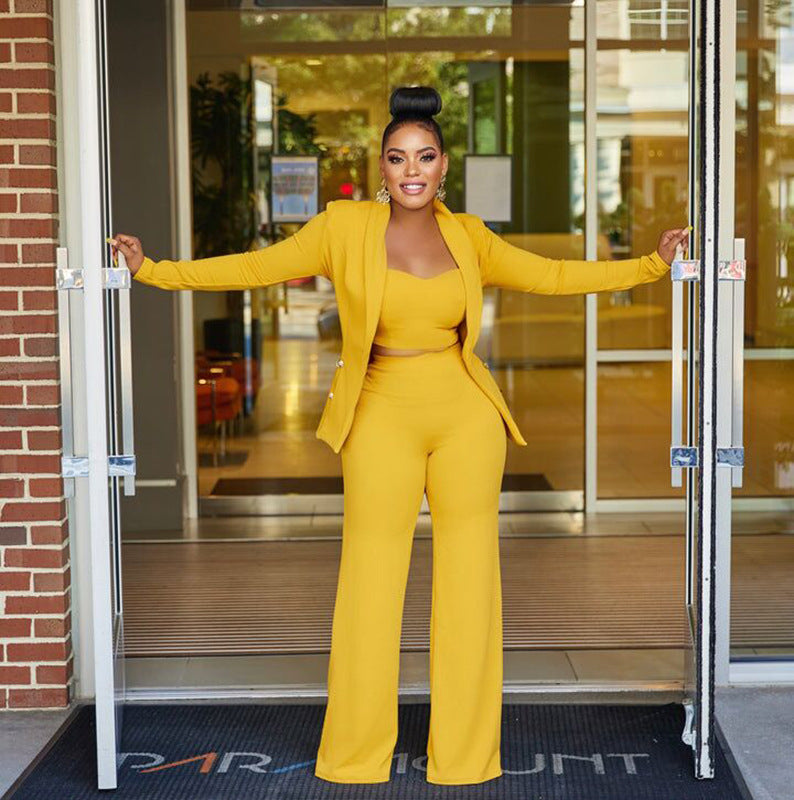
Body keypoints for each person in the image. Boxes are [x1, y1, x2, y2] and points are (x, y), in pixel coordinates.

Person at [111, 85, 689, 786]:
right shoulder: (341, 227)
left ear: (444, 165)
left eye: (424, 156)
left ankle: (465, 756)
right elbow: (253, 266)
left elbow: (553, 275)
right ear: (380, 167)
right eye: (396, 158)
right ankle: (356, 755)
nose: (411, 170)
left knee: (471, 585)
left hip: (466, 419)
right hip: (379, 414)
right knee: (370, 584)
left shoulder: (469, 236)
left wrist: (652, 265)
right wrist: (153, 272)